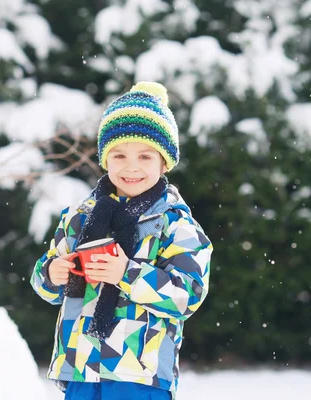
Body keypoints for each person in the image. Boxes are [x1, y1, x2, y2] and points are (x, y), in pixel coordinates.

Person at [31, 82, 213, 400]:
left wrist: (126, 274)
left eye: (145, 156)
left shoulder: (175, 224)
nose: (131, 166)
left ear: (164, 163)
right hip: (80, 366)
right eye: (119, 155)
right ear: (105, 159)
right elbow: (45, 284)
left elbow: (187, 296)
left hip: (139, 372)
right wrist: (51, 274)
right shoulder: (80, 217)